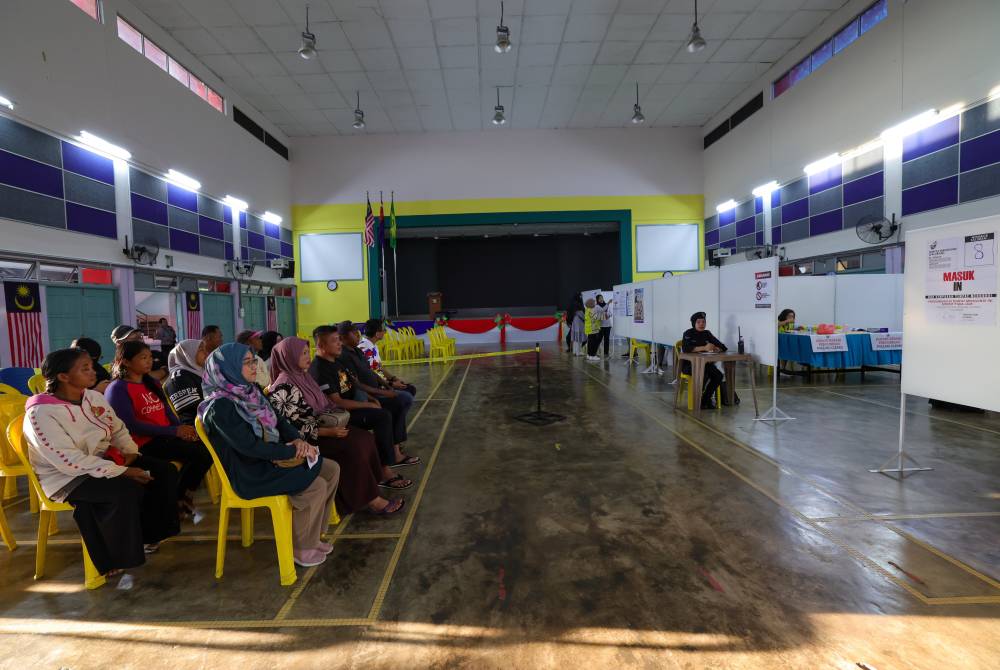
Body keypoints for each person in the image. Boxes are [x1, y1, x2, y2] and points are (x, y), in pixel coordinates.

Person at [22, 348, 179, 577]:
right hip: (66, 477)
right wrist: (121, 471)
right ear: (63, 377)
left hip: (103, 461)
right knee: (124, 489)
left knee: (164, 471)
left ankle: (149, 535)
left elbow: (117, 427)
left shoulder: (92, 397)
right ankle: (114, 558)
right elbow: (67, 461)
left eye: (91, 366)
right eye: (84, 368)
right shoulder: (41, 414)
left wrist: (130, 452)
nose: (93, 371)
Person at [198, 343, 340, 567]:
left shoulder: (249, 391)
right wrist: (292, 450)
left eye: (254, 360)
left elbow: (280, 421)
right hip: (251, 472)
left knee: (331, 469)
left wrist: (298, 440)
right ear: (228, 368)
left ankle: (313, 538)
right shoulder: (220, 407)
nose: (255, 366)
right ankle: (301, 548)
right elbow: (250, 447)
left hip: (270, 459)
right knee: (315, 486)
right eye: (246, 363)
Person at [267, 337, 407, 514]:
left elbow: (324, 402)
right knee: (353, 447)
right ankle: (372, 501)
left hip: (323, 428)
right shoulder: (283, 385)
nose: (307, 356)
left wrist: (338, 415)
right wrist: (328, 432)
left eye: (307, 352)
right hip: (308, 441)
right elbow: (293, 427)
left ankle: (373, 485)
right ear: (289, 356)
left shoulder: (303, 376)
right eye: (302, 353)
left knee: (365, 438)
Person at [105, 340, 213, 518]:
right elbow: (130, 425)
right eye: (143, 358)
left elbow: (167, 411)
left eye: (150, 357)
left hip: (163, 436)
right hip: (141, 443)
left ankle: (182, 496)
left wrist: (181, 429)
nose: (149, 361)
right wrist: (173, 432)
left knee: (205, 450)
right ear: (125, 361)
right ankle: (179, 499)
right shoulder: (117, 389)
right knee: (193, 457)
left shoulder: (151, 383)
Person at [309, 325, 419, 477]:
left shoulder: (337, 362)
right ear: (321, 345)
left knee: (396, 403)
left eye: (339, 340)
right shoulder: (320, 369)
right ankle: (384, 470)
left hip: (356, 403)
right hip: (342, 414)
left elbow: (355, 384)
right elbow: (337, 403)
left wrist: (373, 397)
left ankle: (395, 451)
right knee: (382, 416)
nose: (339, 343)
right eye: (335, 341)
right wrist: (369, 404)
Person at [337, 321, 413, 450]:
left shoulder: (357, 351)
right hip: (367, 395)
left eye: (357, 331)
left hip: (376, 390)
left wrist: (389, 383)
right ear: (343, 337)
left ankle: (395, 440)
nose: (358, 335)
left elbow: (374, 369)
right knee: (402, 400)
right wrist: (382, 392)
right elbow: (356, 384)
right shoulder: (346, 355)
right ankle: (393, 445)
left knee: (406, 394)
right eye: (353, 332)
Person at [681, 312, 729, 410]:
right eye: (698, 322)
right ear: (694, 323)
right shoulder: (688, 333)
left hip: (705, 364)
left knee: (718, 375)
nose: (701, 324)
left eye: (703, 322)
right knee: (704, 374)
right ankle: (697, 401)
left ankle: (705, 400)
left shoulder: (707, 333)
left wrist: (717, 348)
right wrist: (704, 347)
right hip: (690, 365)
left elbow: (723, 347)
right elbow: (686, 348)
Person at [359, 319, 418, 397]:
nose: (385, 332)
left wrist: (394, 379)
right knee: (407, 393)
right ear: (377, 334)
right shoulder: (365, 348)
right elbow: (374, 373)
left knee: (410, 388)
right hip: (375, 386)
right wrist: (391, 384)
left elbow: (379, 368)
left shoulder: (373, 345)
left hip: (382, 382)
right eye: (384, 330)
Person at [164, 339, 207, 426]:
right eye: (201, 350)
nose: (206, 353)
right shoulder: (178, 378)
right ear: (188, 354)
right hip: (199, 431)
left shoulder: (198, 372)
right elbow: (190, 415)